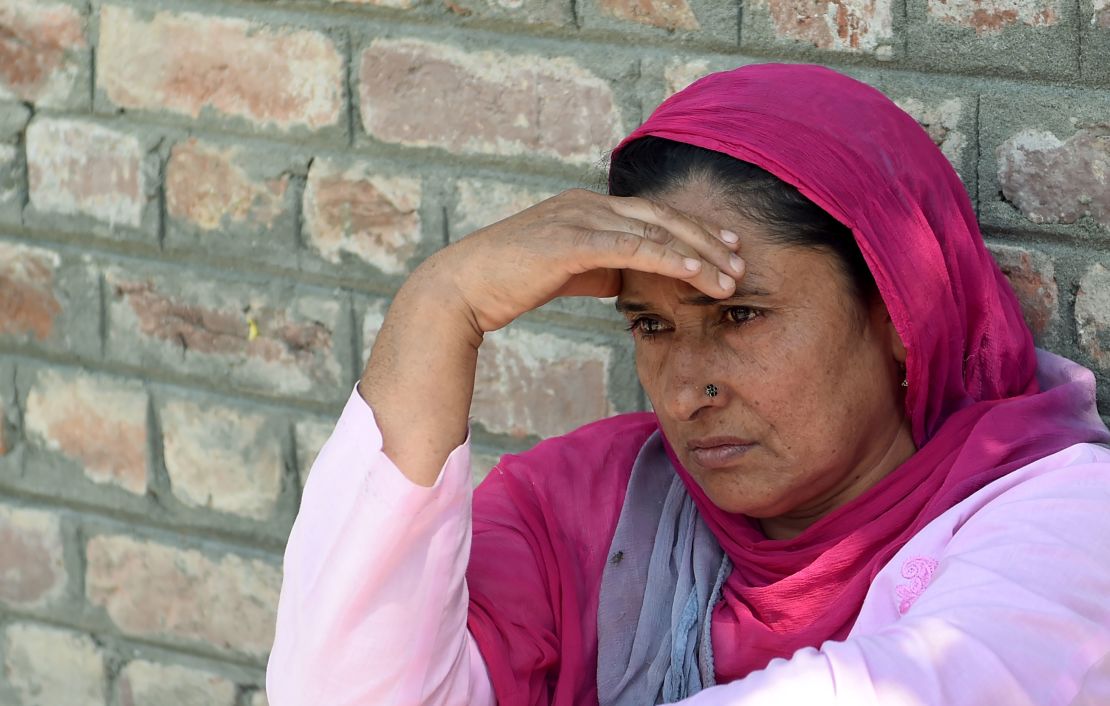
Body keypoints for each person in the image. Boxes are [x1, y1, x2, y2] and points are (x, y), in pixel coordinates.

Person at [265, 64, 1110, 705]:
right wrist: (439, 305)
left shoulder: (1061, 520)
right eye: (653, 326)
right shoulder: (583, 508)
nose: (685, 391)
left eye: (740, 316)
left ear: (900, 311)